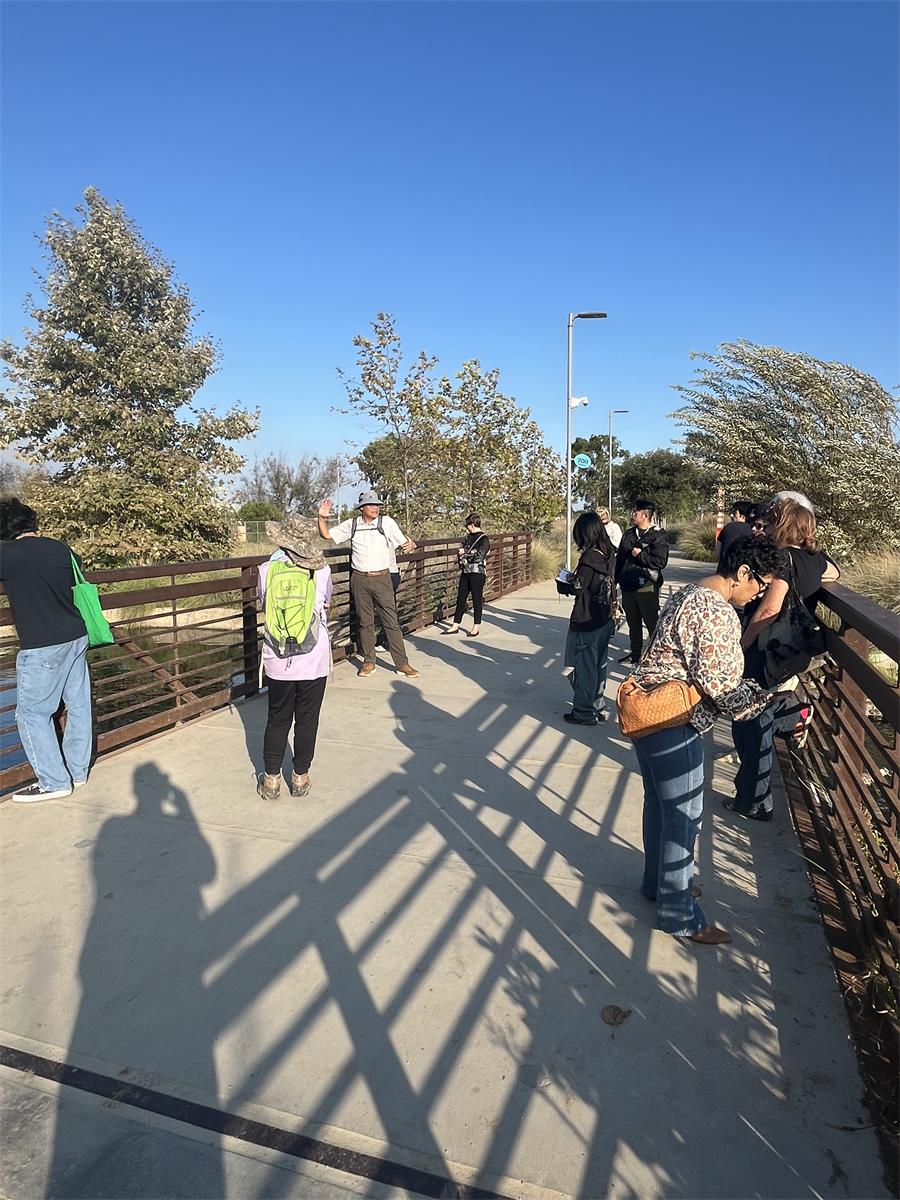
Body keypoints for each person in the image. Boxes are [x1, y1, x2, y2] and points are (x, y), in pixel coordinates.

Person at [629, 536, 785, 944]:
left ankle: (659, 884)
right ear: (743, 574)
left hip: (649, 711)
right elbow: (720, 688)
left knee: (660, 807)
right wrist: (766, 696)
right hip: (674, 722)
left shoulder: (689, 592)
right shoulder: (718, 614)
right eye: (761, 585)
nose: (760, 595)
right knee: (683, 818)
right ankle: (679, 915)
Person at [726, 496, 841, 821]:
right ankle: (792, 717)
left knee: (751, 719)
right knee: (755, 714)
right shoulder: (813, 559)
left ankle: (755, 801)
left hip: (767, 648)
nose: (769, 524)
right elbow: (835, 572)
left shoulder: (781, 558)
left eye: (775, 520)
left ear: (785, 525)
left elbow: (770, 608)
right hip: (791, 650)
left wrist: (742, 643)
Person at [0, 498, 93, 803]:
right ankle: (77, 772)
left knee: (30, 714)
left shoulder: (7, 553)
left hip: (42, 646)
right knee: (78, 705)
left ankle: (54, 781)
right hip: (76, 635)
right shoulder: (63, 549)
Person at [256, 517, 333, 801]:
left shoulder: (266, 570)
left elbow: (264, 603)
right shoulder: (322, 570)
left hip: (277, 656)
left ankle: (271, 779)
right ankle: (300, 775)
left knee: (277, 718)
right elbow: (326, 602)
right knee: (307, 719)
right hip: (313, 656)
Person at [318, 491, 420, 679]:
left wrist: (411, 544)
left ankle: (402, 664)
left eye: (378, 505)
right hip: (360, 579)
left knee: (391, 621)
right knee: (365, 622)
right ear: (362, 508)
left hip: (382, 577)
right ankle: (369, 662)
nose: (376, 508)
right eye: (371, 505)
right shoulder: (353, 524)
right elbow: (325, 535)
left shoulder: (386, 523)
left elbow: (405, 543)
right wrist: (322, 517)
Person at [557, 511, 615, 725]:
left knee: (581, 667)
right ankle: (597, 706)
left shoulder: (589, 558)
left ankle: (583, 712)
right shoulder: (608, 553)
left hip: (586, 620)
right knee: (599, 666)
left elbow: (578, 587)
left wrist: (564, 584)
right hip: (605, 617)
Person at [615, 499, 669, 664]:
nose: (633, 515)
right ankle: (635, 653)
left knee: (651, 622)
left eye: (636, 512)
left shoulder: (658, 536)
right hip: (628, 585)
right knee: (633, 622)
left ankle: (655, 656)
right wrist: (615, 580)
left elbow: (660, 562)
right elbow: (621, 559)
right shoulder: (629, 534)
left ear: (645, 515)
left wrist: (640, 555)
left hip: (646, 586)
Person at [444, 514, 490, 638]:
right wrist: (461, 553)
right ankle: (455, 625)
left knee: (476, 599)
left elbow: (480, 555)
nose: (467, 528)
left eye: (468, 526)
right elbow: (464, 550)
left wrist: (466, 552)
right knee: (460, 599)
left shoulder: (484, 539)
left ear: (472, 525)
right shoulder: (467, 538)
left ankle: (476, 627)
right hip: (466, 571)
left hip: (478, 572)